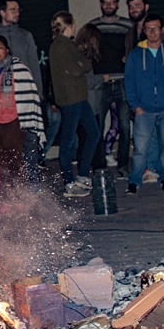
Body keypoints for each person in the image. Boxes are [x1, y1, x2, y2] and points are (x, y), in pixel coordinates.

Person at [124, 14, 164, 194]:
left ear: (162, 30)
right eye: (148, 29)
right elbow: (129, 82)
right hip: (144, 110)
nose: (152, 32)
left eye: (156, 28)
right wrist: (136, 106)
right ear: (144, 31)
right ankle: (134, 181)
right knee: (141, 149)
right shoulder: (135, 55)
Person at [0, 35, 45, 188]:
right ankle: (7, 197)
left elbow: (28, 96)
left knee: (15, 162)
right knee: (1, 164)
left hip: (12, 122)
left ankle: (20, 198)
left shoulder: (18, 68)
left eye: (0, 48)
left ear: (7, 49)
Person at [49, 12, 101, 197]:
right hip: (70, 99)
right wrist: (81, 64)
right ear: (68, 25)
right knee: (68, 141)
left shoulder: (67, 45)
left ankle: (83, 174)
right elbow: (78, 69)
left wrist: (81, 64)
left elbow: (84, 64)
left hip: (79, 98)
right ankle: (69, 183)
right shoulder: (60, 46)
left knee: (93, 133)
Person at [90, 0, 134, 177]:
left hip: (122, 81)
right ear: (101, 4)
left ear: (117, 4)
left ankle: (123, 165)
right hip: (101, 83)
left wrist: (129, 57)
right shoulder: (93, 26)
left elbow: (135, 49)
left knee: (125, 127)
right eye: (105, 2)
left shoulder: (127, 25)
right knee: (97, 126)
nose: (109, 6)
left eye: (112, 2)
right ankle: (100, 165)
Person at [0, 0, 42, 97]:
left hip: (24, 87)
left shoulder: (26, 35)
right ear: (2, 12)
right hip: (3, 92)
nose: (17, 13)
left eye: (18, 10)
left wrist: (38, 92)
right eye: (12, 10)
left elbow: (34, 65)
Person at [74, 23, 106, 170]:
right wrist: (103, 78)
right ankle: (93, 168)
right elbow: (89, 82)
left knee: (86, 138)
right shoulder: (82, 56)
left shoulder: (77, 54)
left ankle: (88, 167)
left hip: (85, 104)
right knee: (92, 137)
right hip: (88, 105)